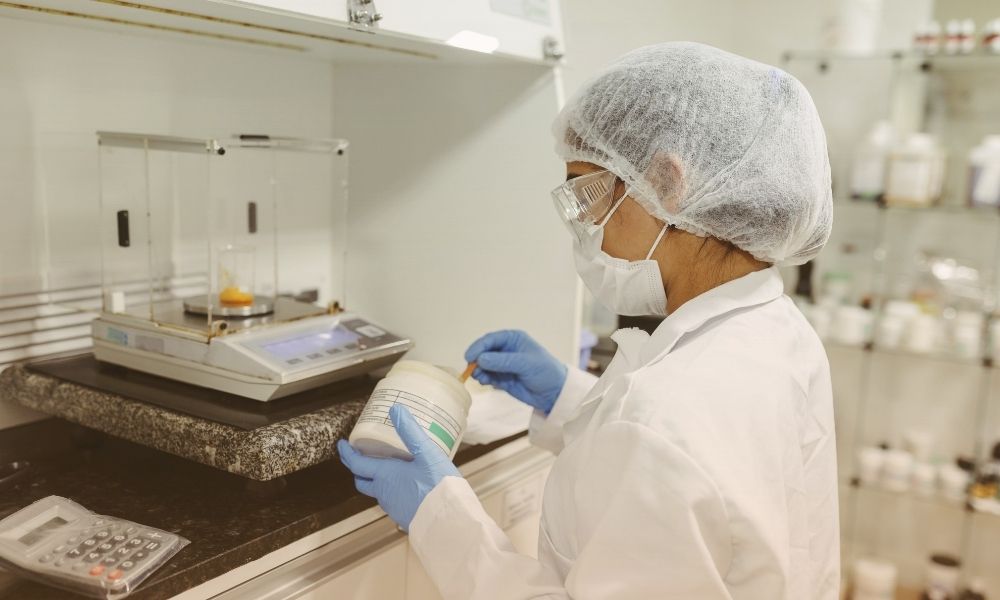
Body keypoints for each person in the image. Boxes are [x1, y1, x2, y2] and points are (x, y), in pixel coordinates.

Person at [338, 41, 838, 599]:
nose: (583, 223)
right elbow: (708, 493)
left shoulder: (666, 417)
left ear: (669, 184)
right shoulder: (777, 331)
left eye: (588, 192)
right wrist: (572, 401)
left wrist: (441, 516)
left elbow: (666, 448)